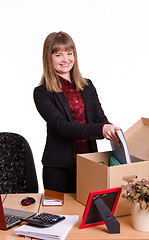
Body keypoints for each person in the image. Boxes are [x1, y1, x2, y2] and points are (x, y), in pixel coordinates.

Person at [34, 31, 120, 193]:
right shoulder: (42, 92)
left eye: (69, 53)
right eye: (59, 55)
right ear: (49, 58)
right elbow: (62, 127)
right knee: (57, 216)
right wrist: (101, 129)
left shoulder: (87, 86)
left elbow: (99, 119)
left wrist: (113, 131)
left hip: (89, 164)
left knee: (88, 215)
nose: (65, 59)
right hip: (58, 169)